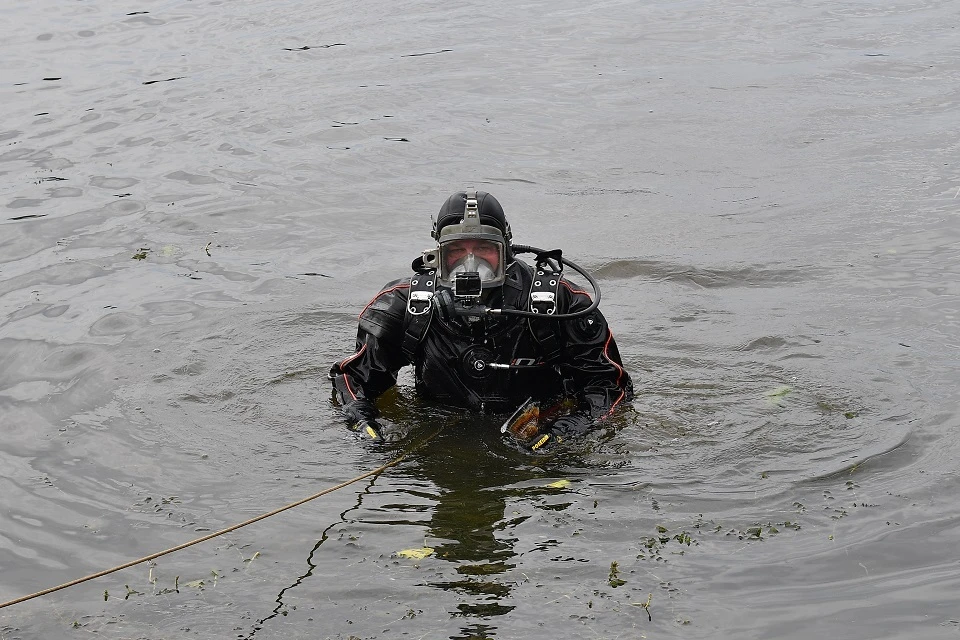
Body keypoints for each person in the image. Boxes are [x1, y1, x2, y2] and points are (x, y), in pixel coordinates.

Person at [329, 190, 633, 451]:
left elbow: (609, 388)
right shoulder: (404, 304)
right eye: (457, 250)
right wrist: (362, 422)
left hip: (539, 428)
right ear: (438, 255)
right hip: (442, 428)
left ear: (507, 250)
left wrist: (565, 431)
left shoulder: (561, 303)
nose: (470, 262)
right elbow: (354, 380)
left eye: (484, 249)